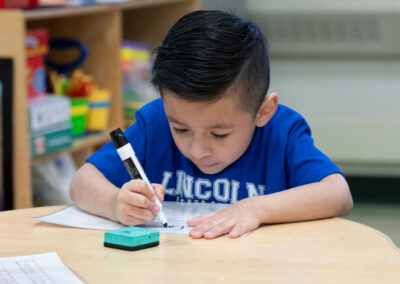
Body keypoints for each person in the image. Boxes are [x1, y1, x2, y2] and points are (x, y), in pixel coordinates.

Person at [70, 10, 353, 239]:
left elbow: (337, 194)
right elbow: (82, 183)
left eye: (219, 134)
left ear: (263, 111)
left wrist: (256, 208)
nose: (197, 150)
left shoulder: (280, 131)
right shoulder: (156, 121)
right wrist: (116, 204)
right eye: (180, 129)